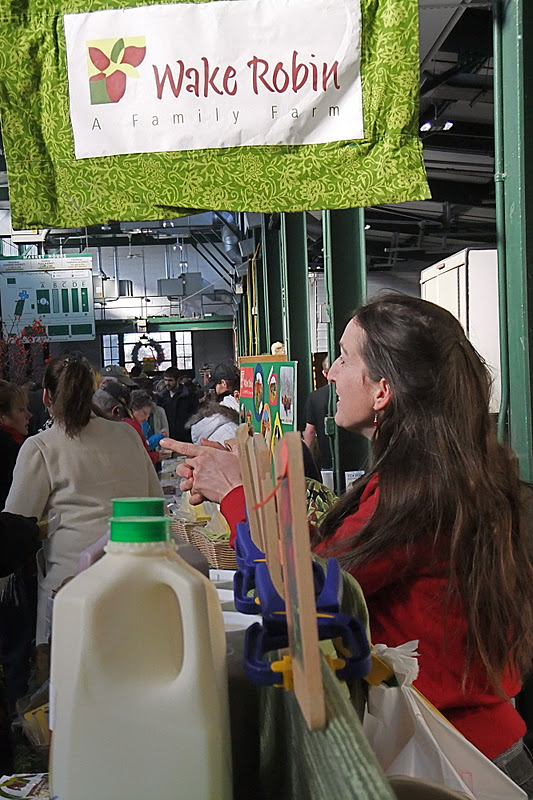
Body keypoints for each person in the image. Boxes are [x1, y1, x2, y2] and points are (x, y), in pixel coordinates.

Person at [161, 294, 533, 794]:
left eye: (343, 356)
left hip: (452, 761)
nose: (330, 373)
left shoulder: (420, 493)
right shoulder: (442, 475)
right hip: (463, 745)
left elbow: (304, 593)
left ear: (383, 390)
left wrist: (238, 496)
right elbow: (330, 560)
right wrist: (250, 485)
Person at [4, 354, 163, 646]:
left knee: (73, 680)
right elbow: (156, 502)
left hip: (70, 587)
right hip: (135, 578)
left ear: (46, 397)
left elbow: (14, 526)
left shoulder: (40, 447)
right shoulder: (127, 434)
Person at [0, 381, 38, 711]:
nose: (28, 414)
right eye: (21, 409)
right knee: (14, 643)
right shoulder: (13, 451)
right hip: (8, 562)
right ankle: (17, 713)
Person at [186, 363, 240, 446]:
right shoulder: (242, 412)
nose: (213, 390)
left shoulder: (212, 418)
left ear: (223, 383)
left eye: (214, 385)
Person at [303, 356, 333, 471]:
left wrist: (308, 463)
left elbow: (310, 432)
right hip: (357, 464)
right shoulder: (355, 393)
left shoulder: (315, 397)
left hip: (327, 462)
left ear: (324, 374)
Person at [157, 366, 199, 441]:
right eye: (165, 380)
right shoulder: (161, 397)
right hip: (167, 435)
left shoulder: (190, 396)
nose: (167, 383)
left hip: (185, 436)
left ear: (178, 380)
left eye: (170, 380)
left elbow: (195, 415)